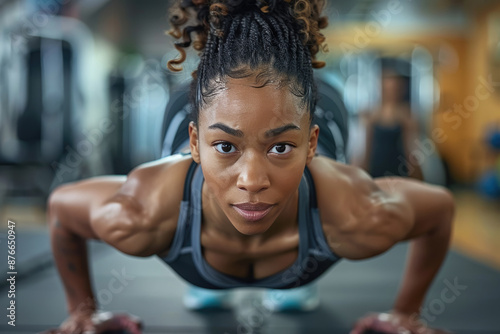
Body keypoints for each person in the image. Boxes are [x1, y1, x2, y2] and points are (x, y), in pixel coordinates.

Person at [43, 1, 454, 333]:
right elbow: (62, 208)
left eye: (281, 149)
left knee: (294, 291)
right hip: (195, 131)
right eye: (224, 146)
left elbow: (438, 210)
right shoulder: (143, 211)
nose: (252, 182)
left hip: (315, 107)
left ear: (310, 146)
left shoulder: (356, 213)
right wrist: (83, 313)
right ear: (194, 145)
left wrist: (406, 314)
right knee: (208, 291)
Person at [355, 69, 424, 180]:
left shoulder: (407, 115)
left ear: (400, 89)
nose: (391, 90)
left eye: (394, 87)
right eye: (387, 87)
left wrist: (417, 176)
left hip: (399, 168)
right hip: (376, 168)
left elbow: (411, 149)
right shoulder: (371, 114)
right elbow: (365, 149)